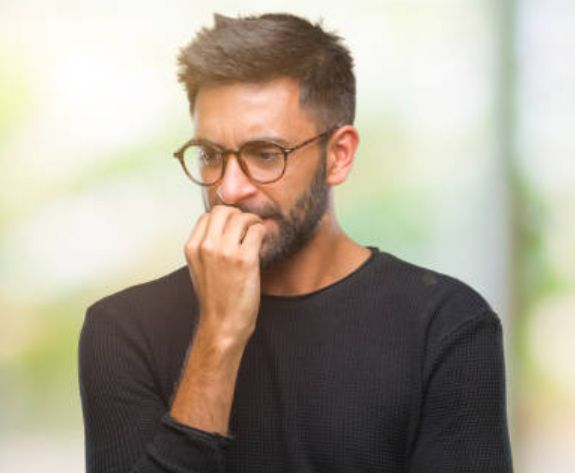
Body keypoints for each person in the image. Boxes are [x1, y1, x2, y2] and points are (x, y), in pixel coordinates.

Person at [78, 12, 513, 473]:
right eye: (210, 155)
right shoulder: (123, 330)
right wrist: (219, 338)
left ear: (338, 156)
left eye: (266, 155)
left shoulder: (445, 324)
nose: (228, 189)